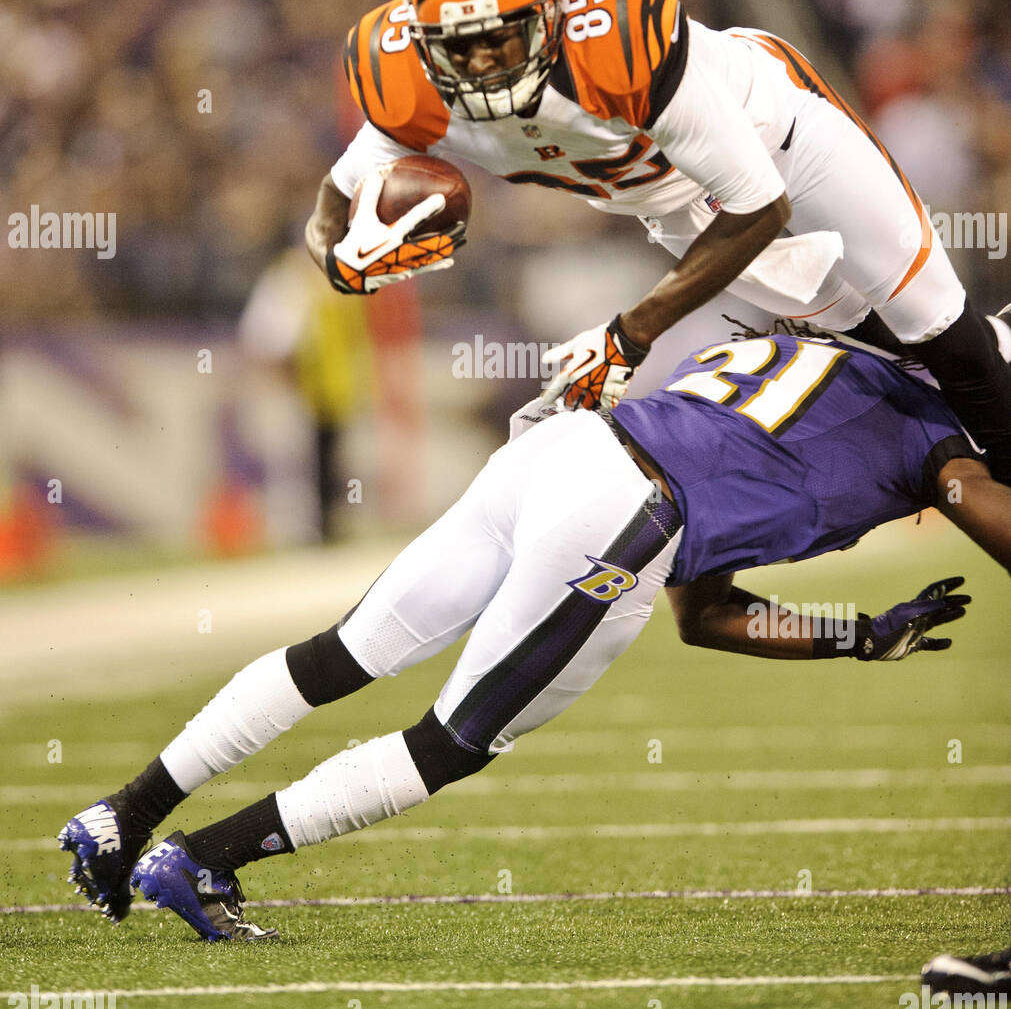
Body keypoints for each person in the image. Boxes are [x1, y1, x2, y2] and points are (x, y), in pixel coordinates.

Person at [59, 332, 1008, 940]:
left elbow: (705, 612)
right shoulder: (941, 445)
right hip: (626, 513)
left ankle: (120, 817)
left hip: (560, 451)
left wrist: (852, 634)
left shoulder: (815, 348)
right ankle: (203, 856)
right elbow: (982, 507)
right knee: (452, 742)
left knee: (343, 652)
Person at [304, 0, 1011, 485]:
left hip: (780, 140)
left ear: (549, 17)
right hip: (672, 209)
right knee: (882, 346)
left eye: (501, 37)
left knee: (937, 328)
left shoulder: (618, 32)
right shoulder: (401, 84)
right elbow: (331, 207)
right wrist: (342, 261)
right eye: (460, 47)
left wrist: (628, 336)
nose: (483, 64)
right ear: (422, 42)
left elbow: (760, 204)